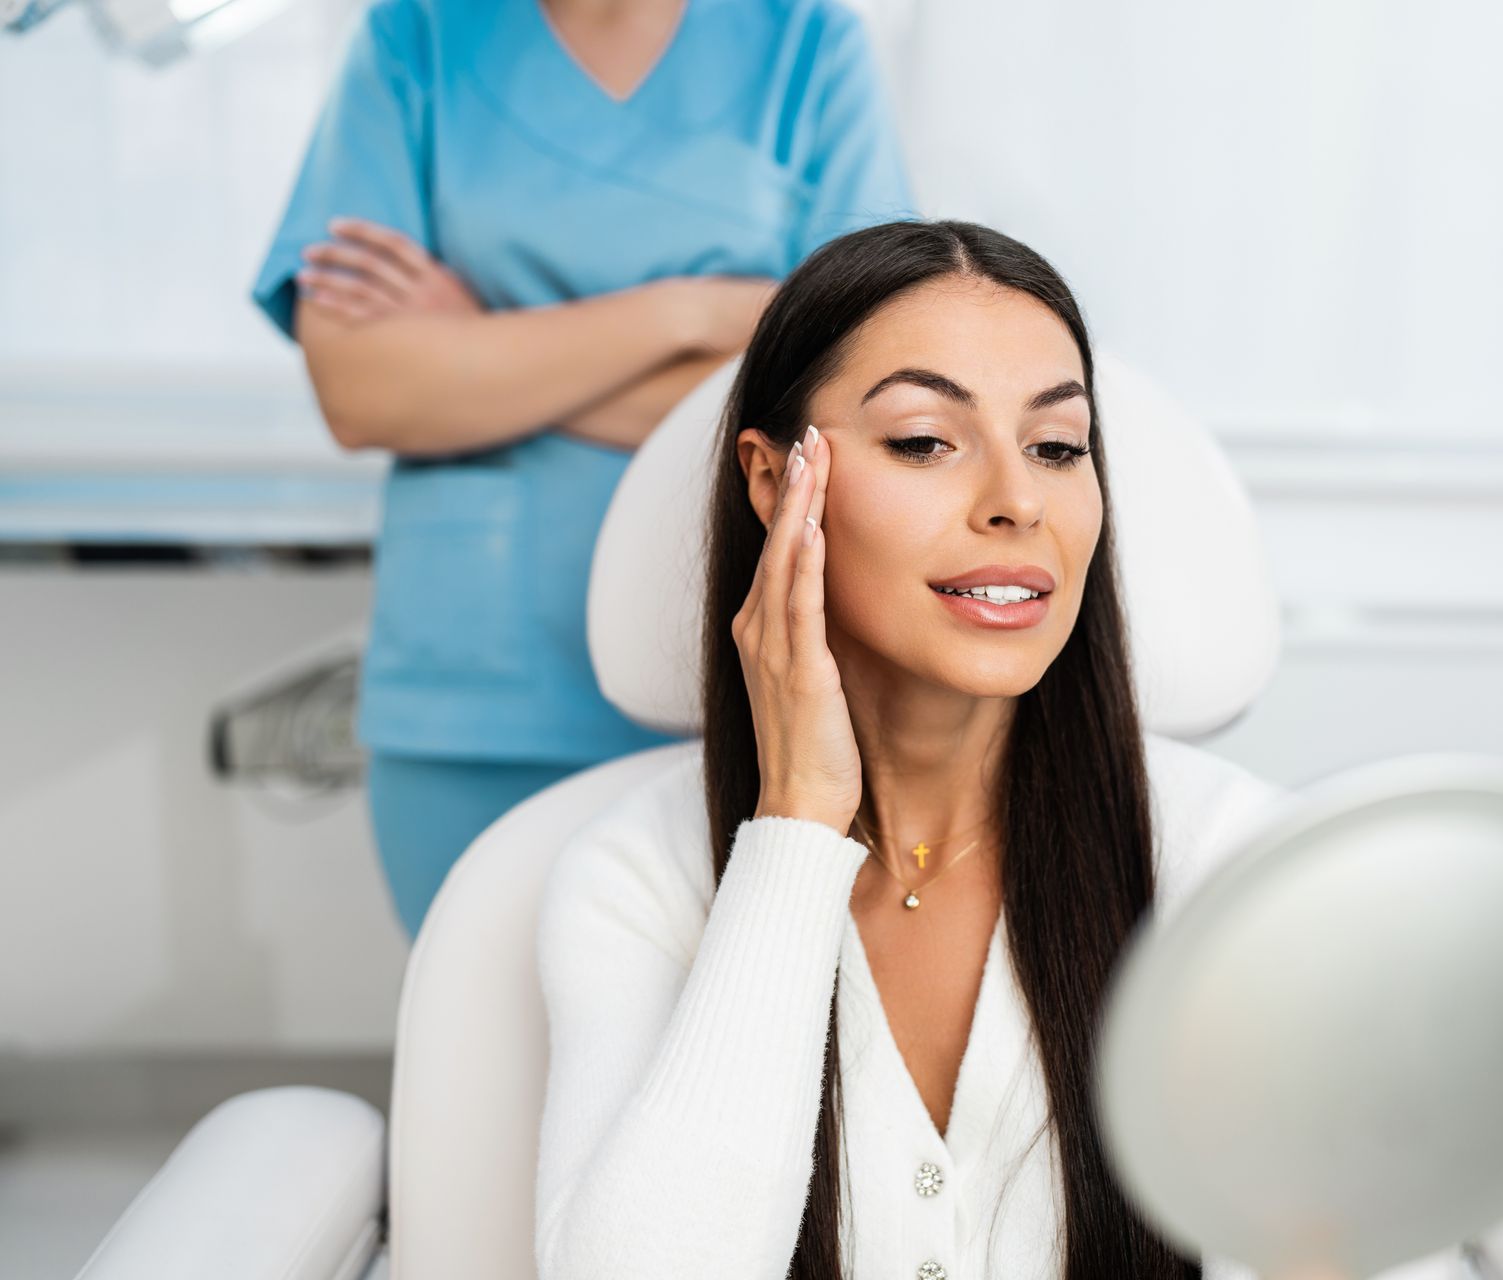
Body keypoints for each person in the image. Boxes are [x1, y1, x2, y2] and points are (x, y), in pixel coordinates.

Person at [532, 220, 1289, 1279]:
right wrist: (795, 823)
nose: (1018, 501)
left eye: (1058, 447)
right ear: (772, 480)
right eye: (926, 440)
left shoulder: (1239, 862)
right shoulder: (633, 877)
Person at [247, 0, 917, 938]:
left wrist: (476, 349)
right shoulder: (419, 34)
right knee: (481, 1064)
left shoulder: (803, 40)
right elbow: (363, 391)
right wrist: (691, 314)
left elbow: (862, 382)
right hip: (478, 692)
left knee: (740, 1049)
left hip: (746, 682)